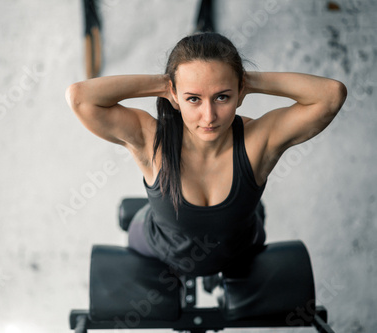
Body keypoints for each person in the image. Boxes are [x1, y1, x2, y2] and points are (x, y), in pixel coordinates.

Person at [65, 32, 347, 276]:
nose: (209, 116)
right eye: (193, 99)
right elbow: (79, 97)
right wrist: (165, 84)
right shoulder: (152, 140)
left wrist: (247, 81)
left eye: (222, 96)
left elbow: (331, 95)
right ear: (174, 95)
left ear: (239, 92)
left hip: (240, 246)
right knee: (142, 223)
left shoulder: (258, 141)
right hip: (158, 243)